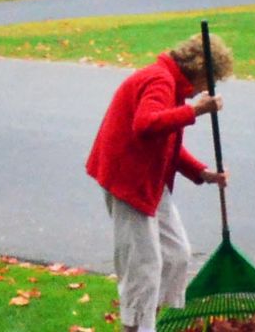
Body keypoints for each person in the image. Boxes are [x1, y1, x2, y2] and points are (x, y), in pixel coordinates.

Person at [85, 32, 234, 332]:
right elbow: (146, 124)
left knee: (176, 253)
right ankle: (137, 325)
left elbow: (166, 143)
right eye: (210, 81)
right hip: (129, 182)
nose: (206, 90)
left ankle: (148, 316)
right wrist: (195, 111)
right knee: (144, 264)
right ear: (200, 72)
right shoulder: (160, 81)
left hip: (150, 180)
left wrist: (202, 173)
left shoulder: (171, 86)